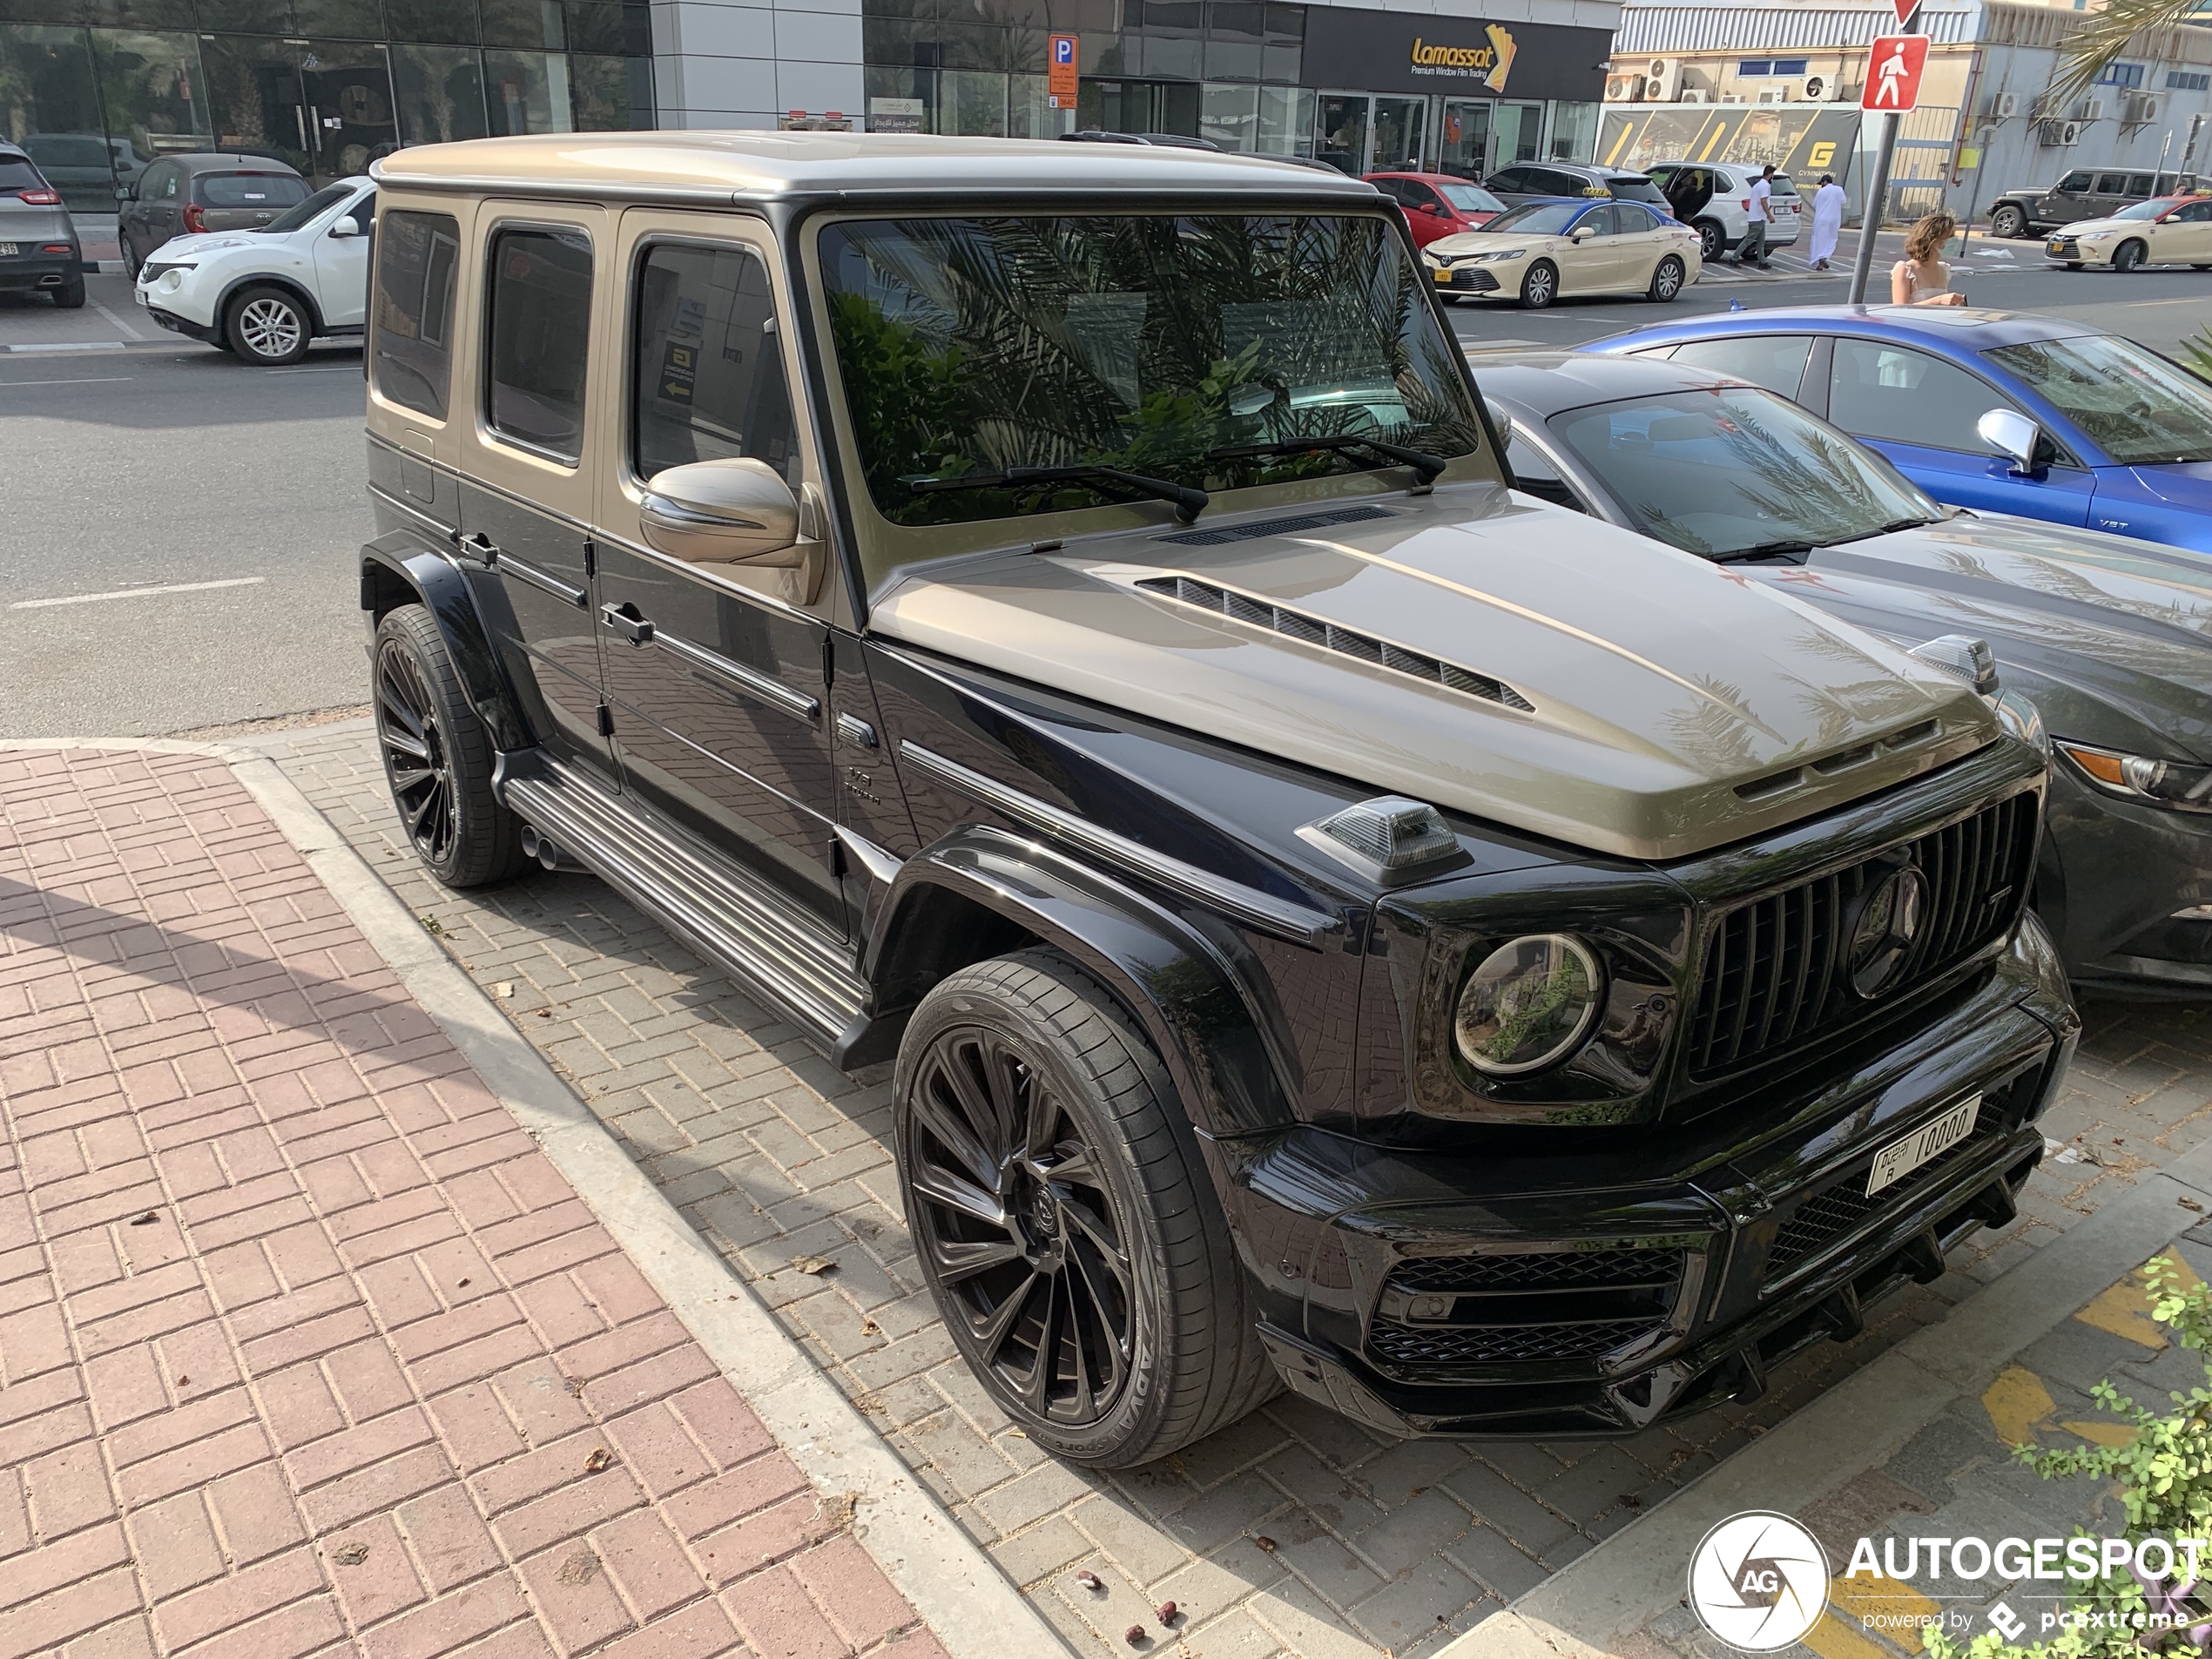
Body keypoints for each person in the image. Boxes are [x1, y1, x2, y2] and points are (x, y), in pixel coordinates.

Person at [1892, 209, 1967, 306]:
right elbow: (1899, 310)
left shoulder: (1943, 269)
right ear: (1933, 240)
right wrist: (1938, 301)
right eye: (1950, 235)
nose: (1954, 239)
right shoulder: (1906, 270)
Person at [1734, 165, 1776, 268]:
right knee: (1749, 240)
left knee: (1761, 241)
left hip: (1757, 217)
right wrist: (1769, 215)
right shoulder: (1765, 186)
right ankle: (1734, 258)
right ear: (1770, 174)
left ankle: (1762, 261)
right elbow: (1763, 201)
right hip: (1758, 217)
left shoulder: (1757, 185)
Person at [1808, 173, 1846, 271]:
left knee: (1819, 240)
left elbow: (1814, 204)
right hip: (1834, 219)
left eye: (1821, 183)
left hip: (1822, 219)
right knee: (1831, 239)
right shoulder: (1839, 189)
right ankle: (1823, 259)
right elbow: (1843, 201)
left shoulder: (1821, 192)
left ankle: (1820, 258)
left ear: (1825, 182)